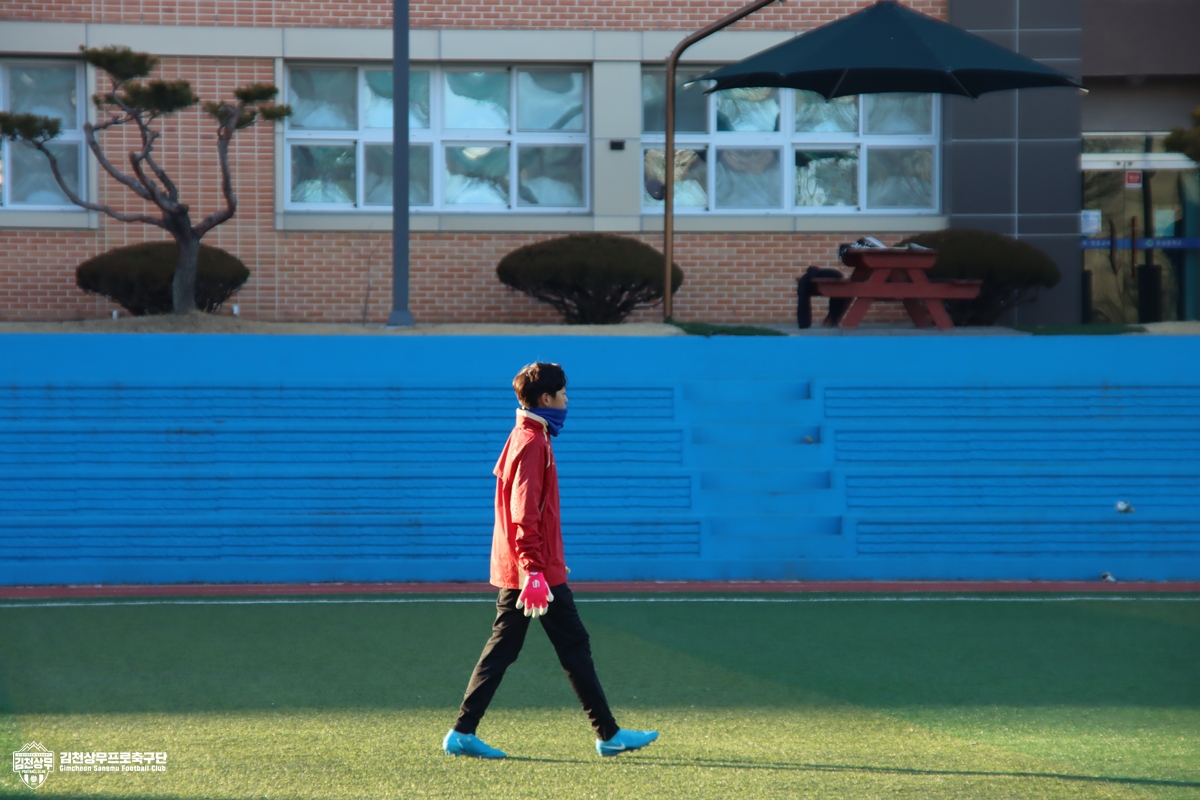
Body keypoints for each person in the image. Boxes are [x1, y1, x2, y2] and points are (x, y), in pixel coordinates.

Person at [443, 362, 659, 759]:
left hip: (531, 568)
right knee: (570, 645)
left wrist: (548, 562)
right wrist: (535, 571)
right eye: (563, 394)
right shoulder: (532, 443)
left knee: (511, 648)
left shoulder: (526, 434)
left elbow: (530, 513)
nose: (567, 400)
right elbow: (523, 514)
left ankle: (463, 731)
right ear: (546, 399)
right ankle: (608, 735)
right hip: (531, 573)